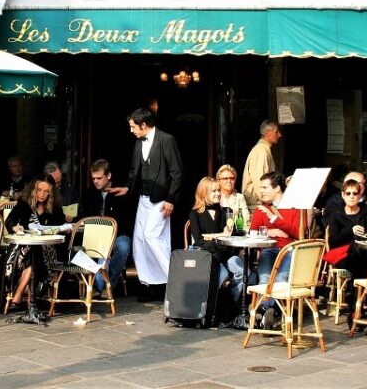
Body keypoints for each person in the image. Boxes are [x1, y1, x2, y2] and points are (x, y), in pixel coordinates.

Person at [125, 107, 183, 301]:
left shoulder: (167, 140)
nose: (131, 130)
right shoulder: (138, 142)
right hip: (143, 198)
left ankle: (174, 281)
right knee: (139, 241)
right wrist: (127, 188)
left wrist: (171, 199)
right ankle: (148, 284)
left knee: (152, 237)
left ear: (143, 124)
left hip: (161, 200)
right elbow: (135, 170)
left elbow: (177, 173)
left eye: (133, 126)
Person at [4, 175, 69, 310]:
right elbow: (9, 221)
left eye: (46, 192)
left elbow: (60, 226)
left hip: (48, 249)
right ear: (34, 189)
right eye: (39, 190)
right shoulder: (24, 203)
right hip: (22, 247)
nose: (42, 194)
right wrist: (15, 228)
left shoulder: (55, 207)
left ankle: (19, 296)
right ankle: (27, 298)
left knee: (36, 253)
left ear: (51, 193)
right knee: (33, 253)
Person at [248, 171, 302, 329]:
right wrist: (271, 232)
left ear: (277, 188)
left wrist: (273, 219)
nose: (261, 191)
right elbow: (252, 233)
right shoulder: (261, 209)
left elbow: (297, 233)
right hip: (269, 249)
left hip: (289, 249)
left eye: (265, 187)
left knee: (280, 280)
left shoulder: (294, 207)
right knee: (264, 278)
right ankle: (269, 311)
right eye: (261, 187)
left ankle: (265, 310)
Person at [79, 159, 135, 295]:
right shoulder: (89, 193)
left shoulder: (119, 193)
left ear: (108, 176)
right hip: (95, 236)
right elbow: (83, 217)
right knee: (93, 251)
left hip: (118, 234)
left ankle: (106, 286)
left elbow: (126, 220)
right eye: (93, 178)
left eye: (99, 178)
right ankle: (103, 286)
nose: (96, 181)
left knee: (122, 247)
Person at [188, 176, 244, 312]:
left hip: (226, 254)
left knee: (244, 272)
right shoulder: (195, 214)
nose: (218, 193)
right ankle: (220, 309)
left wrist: (213, 238)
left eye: (219, 190)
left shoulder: (227, 211)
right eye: (214, 191)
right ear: (203, 193)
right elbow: (199, 242)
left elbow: (234, 236)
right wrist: (221, 239)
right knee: (223, 277)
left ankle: (233, 308)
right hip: (208, 257)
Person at [323, 178, 367, 281]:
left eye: (355, 193)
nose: (352, 196)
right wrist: (350, 230)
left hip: (365, 252)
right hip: (343, 255)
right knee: (358, 259)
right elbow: (332, 241)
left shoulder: (366, 212)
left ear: (360, 195)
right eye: (348, 193)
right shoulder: (337, 214)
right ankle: (357, 293)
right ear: (343, 195)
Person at [241, 120, 281, 208]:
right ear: (267, 133)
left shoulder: (264, 150)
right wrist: (269, 206)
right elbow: (259, 181)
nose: (279, 135)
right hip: (259, 206)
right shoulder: (261, 151)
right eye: (277, 132)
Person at [217, 164, 250, 228]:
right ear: (219, 181)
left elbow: (246, 219)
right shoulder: (215, 197)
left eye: (232, 178)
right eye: (225, 178)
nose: (229, 181)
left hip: (237, 233)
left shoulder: (240, 197)